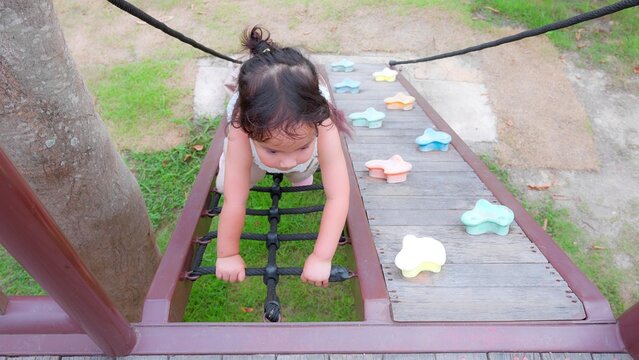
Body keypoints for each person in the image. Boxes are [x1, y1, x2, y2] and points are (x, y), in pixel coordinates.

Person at [215, 26, 350, 288]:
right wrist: (228, 253)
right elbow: (235, 199)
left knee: (300, 168)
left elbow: (338, 195)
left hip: (286, 144)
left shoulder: (322, 122)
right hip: (250, 154)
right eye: (274, 149)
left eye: (300, 146)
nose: (287, 159)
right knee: (228, 184)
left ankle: (300, 171)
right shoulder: (240, 127)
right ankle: (267, 157)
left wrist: (322, 257)